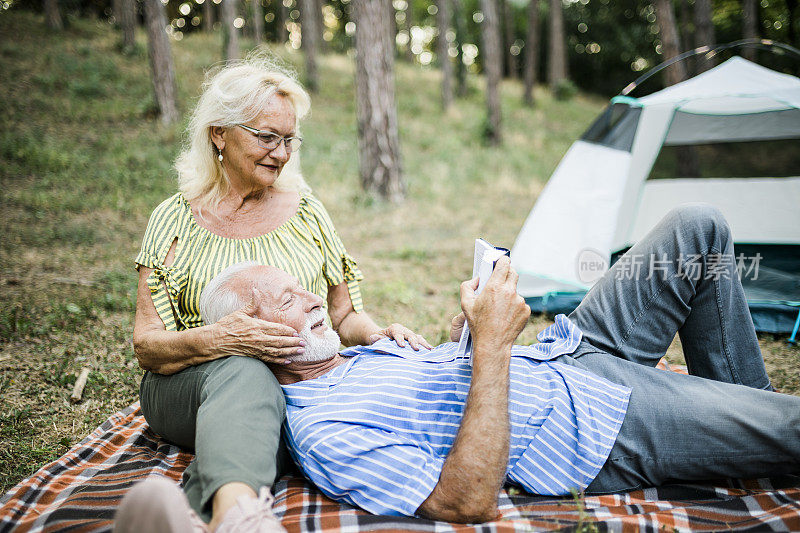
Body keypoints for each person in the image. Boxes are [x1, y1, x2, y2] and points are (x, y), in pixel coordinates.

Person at [195, 204, 800, 524]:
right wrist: (490, 348)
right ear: (249, 336)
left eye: (302, 288)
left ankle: (747, 413)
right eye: (285, 301)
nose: (311, 300)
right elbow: (464, 500)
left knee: (697, 229)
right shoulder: (322, 431)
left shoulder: (358, 354)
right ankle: (761, 427)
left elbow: (446, 391)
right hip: (594, 425)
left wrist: (464, 339)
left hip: (573, 350)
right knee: (793, 426)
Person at [124, 54, 429, 532]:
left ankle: (201, 516)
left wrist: (379, 336)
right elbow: (147, 345)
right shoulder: (173, 219)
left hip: (299, 385)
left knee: (299, 411)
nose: (281, 153)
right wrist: (222, 340)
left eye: (289, 140)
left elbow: (344, 315)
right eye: (266, 137)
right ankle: (239, 519)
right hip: (191, 383)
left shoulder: (306, 210)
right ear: (218, 134)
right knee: (249, 375)